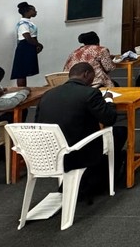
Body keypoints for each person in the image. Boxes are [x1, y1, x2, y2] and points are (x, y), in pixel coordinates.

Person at [36, 63, 128, 197]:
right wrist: (108, 100)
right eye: (92, 76)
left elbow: (38, 122)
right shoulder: (90, 93)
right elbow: (109, 119)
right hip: (77, 153)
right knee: (120, 132)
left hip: (48, 154)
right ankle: (97, 177)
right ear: (86, 74)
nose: (93, 80)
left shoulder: (48, 94)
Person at [11, 2, 43, 87]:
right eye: (34, 10)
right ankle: (21, 90)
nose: (36, 12)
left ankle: (24, 89)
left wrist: (35, 45)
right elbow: (27, 37)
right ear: (27, 11)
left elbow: (33, 36)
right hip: (24, 47)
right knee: (21, 72)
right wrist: (39, 45)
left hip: (29, 46)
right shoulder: (23, 24)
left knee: (25, 70)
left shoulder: (29, 22)